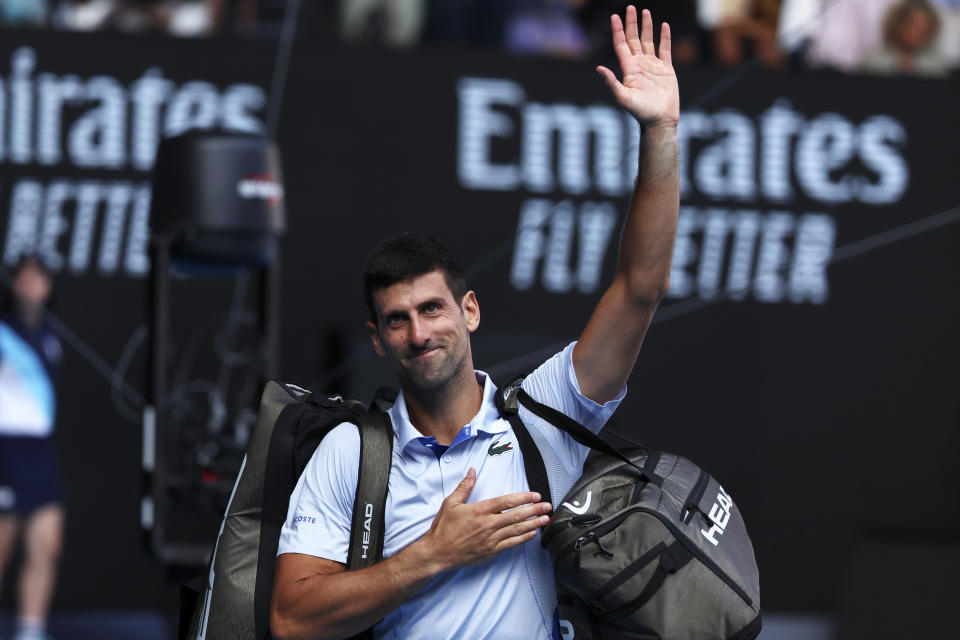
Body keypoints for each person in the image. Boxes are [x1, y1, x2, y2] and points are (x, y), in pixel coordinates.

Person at [271, 5, 680, 639]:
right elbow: (293, 621)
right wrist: (434, 554)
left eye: (433, 308)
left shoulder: (547, 416)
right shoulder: (351, 450)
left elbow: (641, 288)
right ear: (378, 341)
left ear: (470, 311)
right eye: (397, 320)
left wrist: (660, 132)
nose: (419, 332)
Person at [0, 257, 64, 640]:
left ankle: (31, 630)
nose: (31, 285)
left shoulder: (52, 336)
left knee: (46, 545)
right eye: (24, 277)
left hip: (39, 453)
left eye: (39, 278)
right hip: (4, 453)